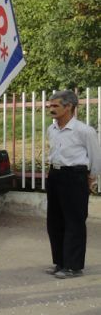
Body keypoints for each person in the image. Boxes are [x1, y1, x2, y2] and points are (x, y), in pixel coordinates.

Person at [45, 89, 100, 279]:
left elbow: (95, 156)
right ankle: (60, 262)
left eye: (55, 105)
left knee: (74, 221)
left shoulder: (84, 131)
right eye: (50, 105)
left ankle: (73, 266)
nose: (50, 109)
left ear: (69, 107)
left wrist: (91, 177)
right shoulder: (51, 129)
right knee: (55, 221)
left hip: (75, 177)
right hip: (55, 175)